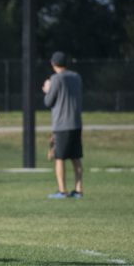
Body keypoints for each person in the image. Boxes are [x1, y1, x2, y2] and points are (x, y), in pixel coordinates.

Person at [43, 51, 83, 199]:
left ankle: (62, 190)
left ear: (53, 63)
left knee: (59, 158)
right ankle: (79, 190)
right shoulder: (76, 77)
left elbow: (48, 101)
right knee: (76, 157)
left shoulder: (55, 79)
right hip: (76, 123)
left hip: (61, 124)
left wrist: (47, 90)